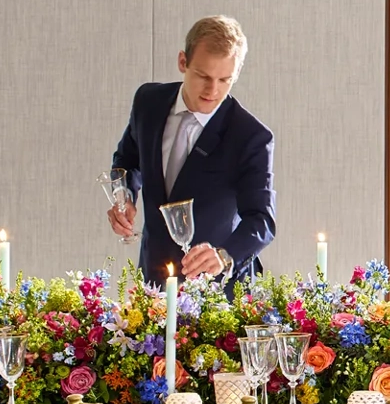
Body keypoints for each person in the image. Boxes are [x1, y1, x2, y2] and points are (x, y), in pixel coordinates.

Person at [108, 16, 275, 285]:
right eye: (203, 76)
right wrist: (123, 195)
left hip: (217, 292)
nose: (213, 90)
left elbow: (262, 220)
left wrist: (224, 256)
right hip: (152, 280)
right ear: (182, 62)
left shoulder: (251, 136)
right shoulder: (148, 101)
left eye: (225, 79)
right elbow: (127, 160)